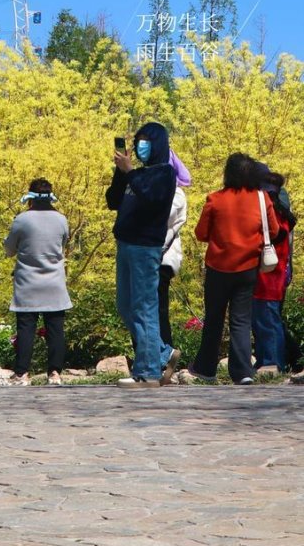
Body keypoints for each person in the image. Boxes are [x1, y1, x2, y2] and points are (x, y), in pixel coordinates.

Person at [189, 153, 279, 384]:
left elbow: (200, 234)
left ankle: (206, 369)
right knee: (241, 320)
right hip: (248, 268)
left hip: (218, 268)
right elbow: (275, 231)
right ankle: (243, 373)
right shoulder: (262, 199)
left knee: (214, 319)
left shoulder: (215, 199)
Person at [106, 122, 180, 389]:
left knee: (144, 307)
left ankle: (148, 372)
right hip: (125, 244)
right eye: (138, 140)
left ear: (158, 143)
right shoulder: (135, 173)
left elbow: (152, 199)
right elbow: (113, 201)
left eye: (147, 140)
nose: (141, 145)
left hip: (144, 247)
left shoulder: (164, 173)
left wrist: (131, 174)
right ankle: (162, 353)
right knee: (126, 306)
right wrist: (121, 172)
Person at [4, 178, 71, 386]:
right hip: (54, 282)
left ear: (30, 197)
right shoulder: (61, 220)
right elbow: (63, 242)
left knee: (26, 329)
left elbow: (9, 249)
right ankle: (54, 373)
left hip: (28, 283)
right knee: (55, 330)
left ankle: (22, 373)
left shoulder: (22, 220)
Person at [252, 167, 296, 374]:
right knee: (263, 319)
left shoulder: (276, 217)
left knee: (268, 319)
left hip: (269, 276)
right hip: (271, 274)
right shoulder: (281, 213)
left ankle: (272, 362)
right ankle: (264, 360)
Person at [158, 150, 190, 348]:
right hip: (149, 257)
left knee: (158, 309)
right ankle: (159, 353)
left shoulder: (177, 194)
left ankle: (165, 352)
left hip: (163, 259)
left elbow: (159, 217)